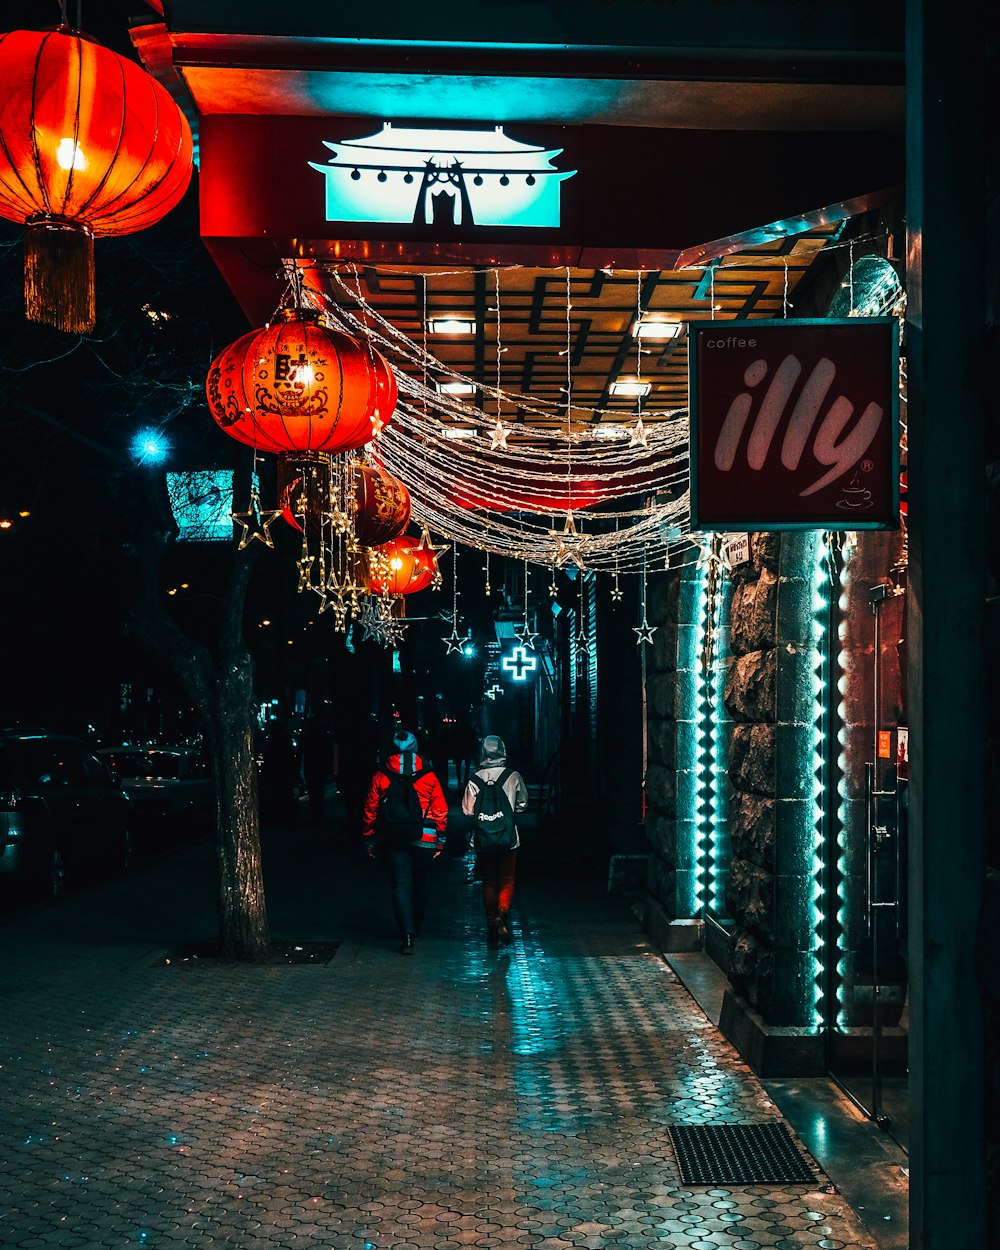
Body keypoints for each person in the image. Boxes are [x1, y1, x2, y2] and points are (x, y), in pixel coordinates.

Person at [362, 728, 449, 955]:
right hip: (425, 838)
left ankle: (406, 935)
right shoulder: (428, 775)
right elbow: (440, 809)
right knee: (420, 885)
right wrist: (440, 839)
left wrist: (369, 839)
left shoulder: (381, 775)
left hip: (392, 837)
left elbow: (370, 810)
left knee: (400, 885)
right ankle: (417, 927)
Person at [462, 735, 528, 946]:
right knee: (507, 879)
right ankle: (502, 913)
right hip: (508, 838)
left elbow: (467, 810)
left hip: (482, 838)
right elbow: (522, 804)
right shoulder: (513, 776)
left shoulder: (475, 778)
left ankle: (491, 926)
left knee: (489, 881)